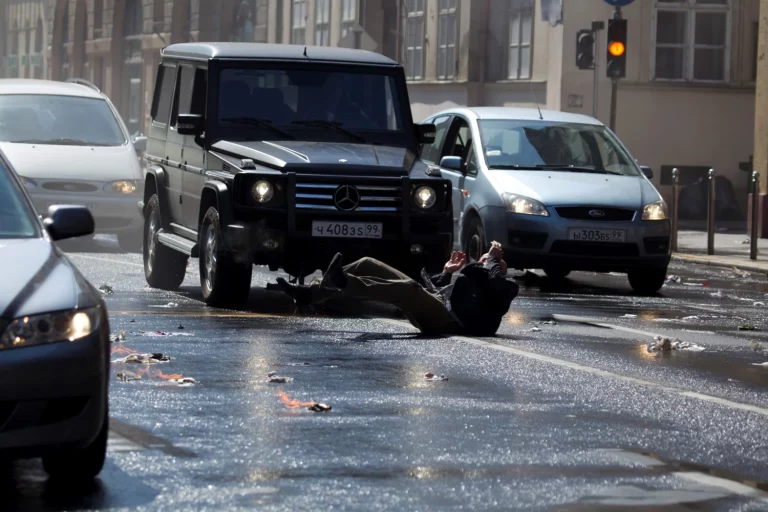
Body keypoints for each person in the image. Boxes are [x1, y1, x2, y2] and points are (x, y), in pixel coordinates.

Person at [275, 241, 519, 337]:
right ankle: (310, 293)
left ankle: (344, 283)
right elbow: (438, 293)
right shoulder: (478, 278)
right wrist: (447, 272)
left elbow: (495, 282)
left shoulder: (506, 287)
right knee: (367, 263)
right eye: (486, 259)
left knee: (409, 289)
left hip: (449, 322)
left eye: (491, 261)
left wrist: (494, 260)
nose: (485, 261)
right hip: (437, 305)